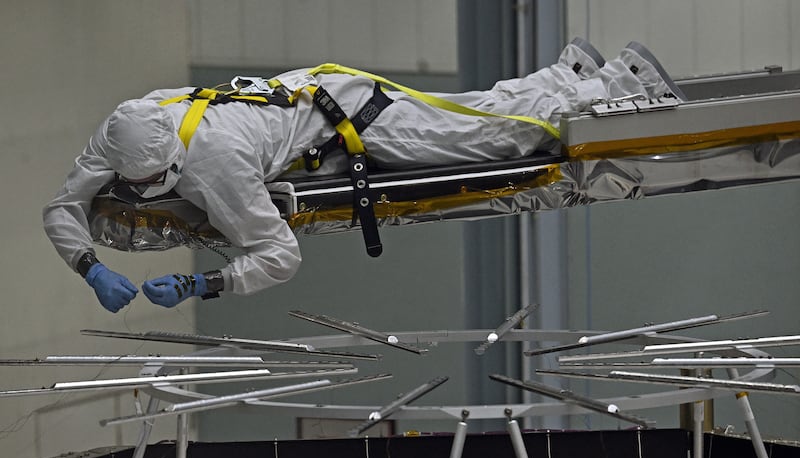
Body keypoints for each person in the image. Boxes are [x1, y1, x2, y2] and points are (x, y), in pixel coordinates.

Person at [43, 39, 684, 313]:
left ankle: (617, 87)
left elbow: (278, 256)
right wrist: (88, 267)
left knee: (490, 142)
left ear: (165, 176)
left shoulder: (216, 171)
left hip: (347, 120)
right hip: (319, 90)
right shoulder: (130, 123)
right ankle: (565, 78)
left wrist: (201, 283)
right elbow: (60, 206)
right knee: (464, 113)